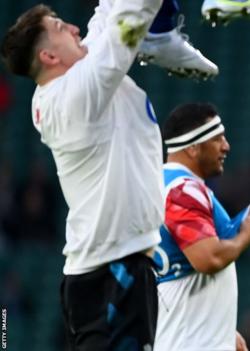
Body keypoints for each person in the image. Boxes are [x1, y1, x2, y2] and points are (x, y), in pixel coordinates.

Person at [1, 1, 165, 349]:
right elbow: (125, 24)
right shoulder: (76, 94)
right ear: (48, 57)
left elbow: (105, 22)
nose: (74, 29)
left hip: (110, 268)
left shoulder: (68, 88)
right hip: (112, 271)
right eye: (61, 28)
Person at [153, 102, 250, 351]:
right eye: (217, 139)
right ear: (193, 147)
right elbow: (208, 259)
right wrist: (247, 235)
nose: (226, 146)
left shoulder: (162, 185)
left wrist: (220, 326)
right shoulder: (183, 191)